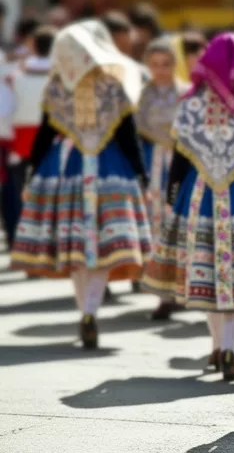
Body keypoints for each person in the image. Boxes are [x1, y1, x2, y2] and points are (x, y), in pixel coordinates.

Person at [142, 34, 234, 381]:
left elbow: (179, 159)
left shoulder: (191, 104)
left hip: (199, 196)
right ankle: (232, 349)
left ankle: (219, 347)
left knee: (207, 275)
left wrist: (172, 198)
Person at [10, 20, 150, 349]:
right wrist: (141, 177)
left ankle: (85, 311)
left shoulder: (58, 86)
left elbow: (45, 136)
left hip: (68, 170)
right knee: (102, 247)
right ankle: (92, 310)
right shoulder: (113, 85)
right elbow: (128, 136)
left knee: (77, 249)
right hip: (110, 168)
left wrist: (31, 176)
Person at [136, 37, 189, 321]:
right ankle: (164, 294)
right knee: (157, 225)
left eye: (166, 64)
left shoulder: (186, 93)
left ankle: (184, 289)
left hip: (180, 164)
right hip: (152, 161)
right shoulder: (140, 94)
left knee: (182, 225)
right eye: (154, 64)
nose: (160, 70)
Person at [2, 26, 55, 249]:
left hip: (22, 142)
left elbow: (6, 111)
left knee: (23, 193)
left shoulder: (16, 75)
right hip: (52, 141)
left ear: (34, 45)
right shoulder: (61, 74)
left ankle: (24, 242)